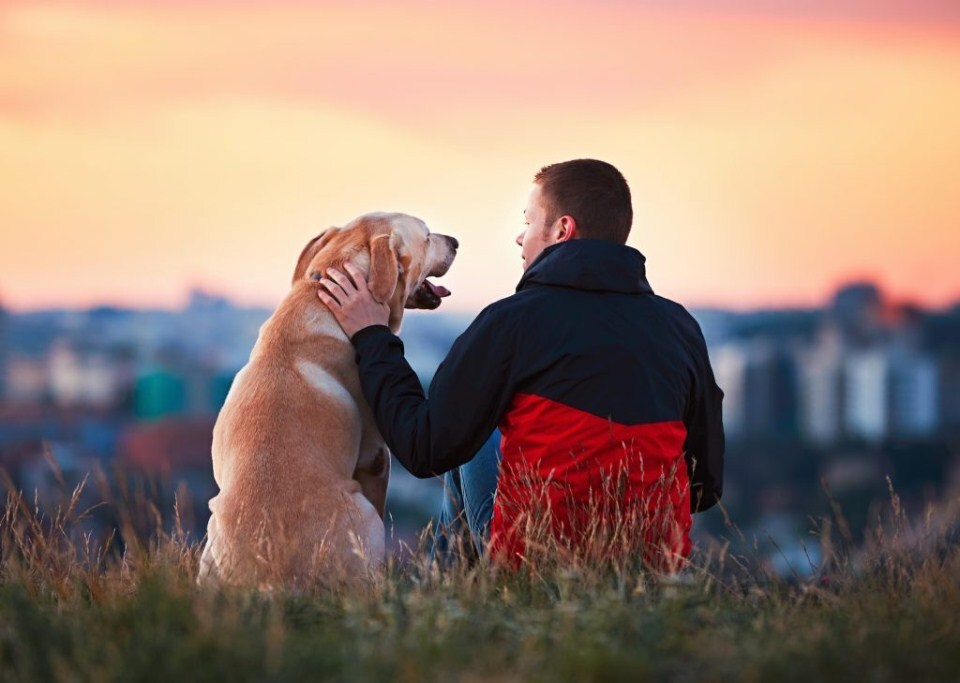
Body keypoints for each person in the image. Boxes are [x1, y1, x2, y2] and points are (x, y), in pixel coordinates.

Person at [317, 159, 724, 571]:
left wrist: (372, 336)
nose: (519, 236)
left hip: (537, 561)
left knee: (471, 434)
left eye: (529, 222)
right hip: (653, 567)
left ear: (562, 230)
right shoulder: (680, 328)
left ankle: (448, 593)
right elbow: (704, 486)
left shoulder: (511, 322)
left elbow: (423, 448)